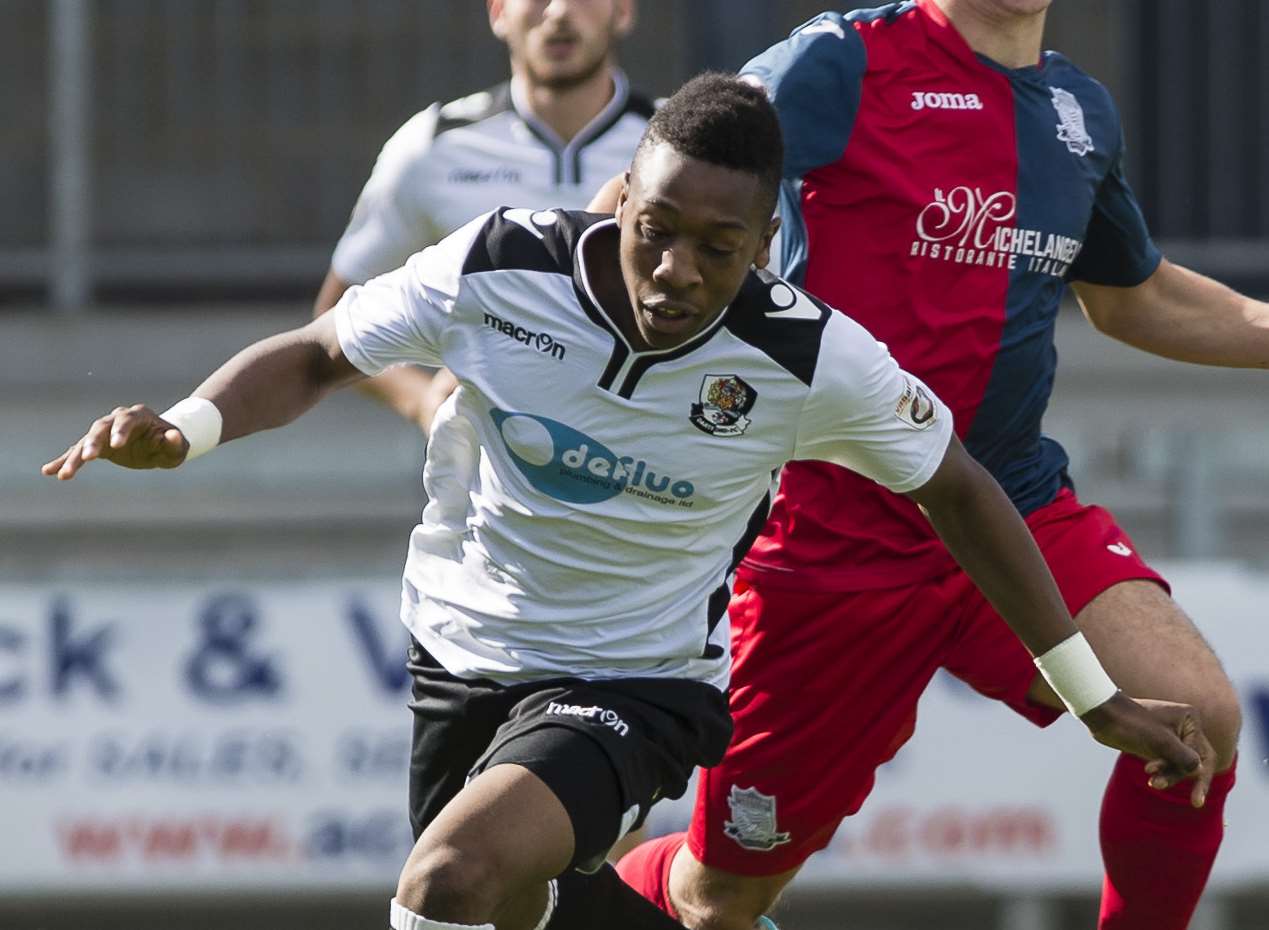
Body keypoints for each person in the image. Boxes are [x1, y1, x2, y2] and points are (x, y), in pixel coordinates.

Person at [43, 75, 1211, 930]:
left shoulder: (810, 360)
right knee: (514, 904)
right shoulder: (504, 265)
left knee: (446, 880)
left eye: (719, 248)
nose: (678, 272)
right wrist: (188, 426)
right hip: (459, 660)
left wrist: (1091, 696)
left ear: (766, 245)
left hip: (640, 686)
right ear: (622, 205)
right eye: (656, 232)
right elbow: (319, 352)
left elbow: (963, 492)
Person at [611, 4, 1256, 930]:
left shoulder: (1077, 110)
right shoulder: (838, 62)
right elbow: (653, 191)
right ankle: (605, 896)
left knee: (1197, 719)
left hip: (1012, 503)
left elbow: (1132, 297)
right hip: (832, 537)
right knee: (719, 899)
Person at [315, 0, 648, 435]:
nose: (560, 11)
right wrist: (422, 403)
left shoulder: (681, 149)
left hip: (643, 462)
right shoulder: (433, 144)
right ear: (498, 13)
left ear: (622, 11)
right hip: (481, 477)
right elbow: (336, 316)